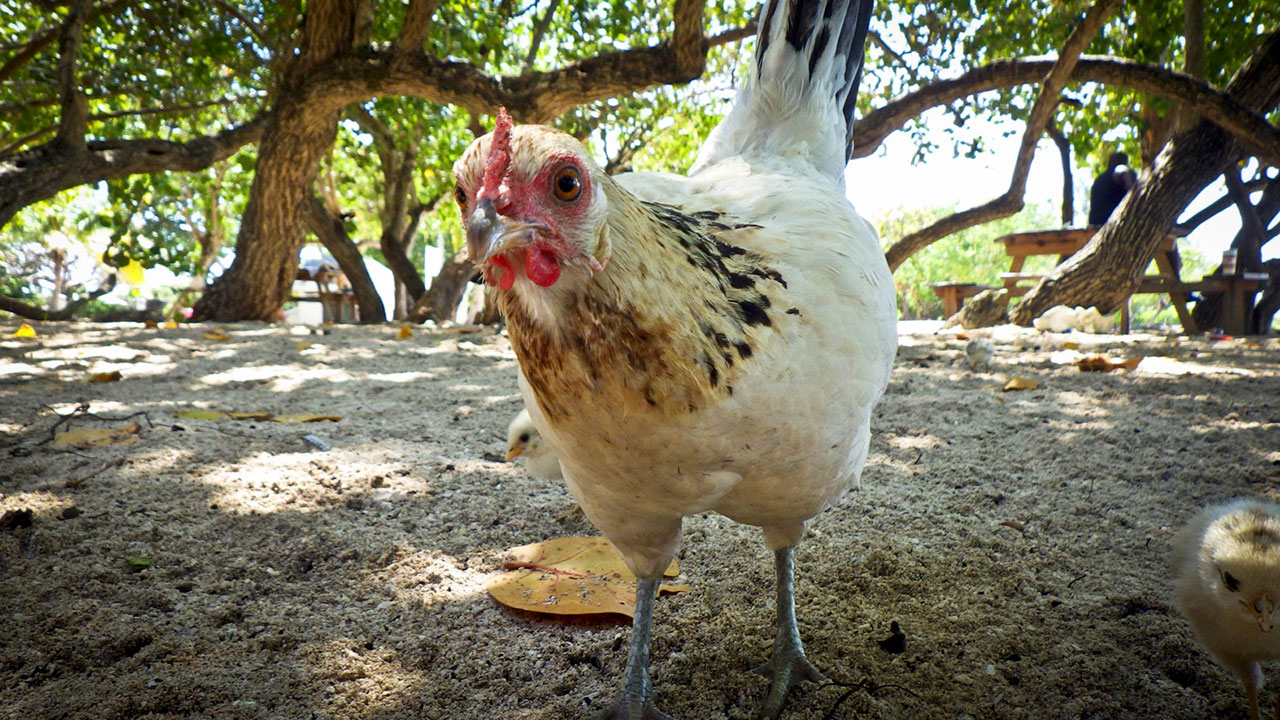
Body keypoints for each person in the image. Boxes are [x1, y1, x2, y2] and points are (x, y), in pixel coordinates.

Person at [1088, 151, 1138, 226]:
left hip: (1096, 225)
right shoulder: (1119, 170)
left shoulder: (1099, 180)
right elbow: (1124, 170)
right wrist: (1134, 196)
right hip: (1111, 223)